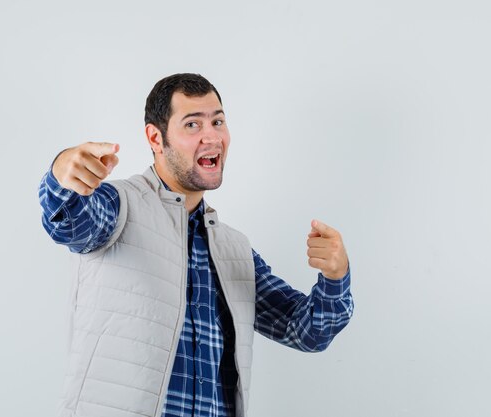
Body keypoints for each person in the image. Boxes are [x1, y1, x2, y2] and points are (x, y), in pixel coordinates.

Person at [38, 73, 354, 417]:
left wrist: (336, 278)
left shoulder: (234, 250)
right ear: (156, 138)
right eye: (192, 124)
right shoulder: (118, 207)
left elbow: (304, 331)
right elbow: (70, 220)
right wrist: (62, 172)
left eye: (218, 121)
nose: (212, 135)